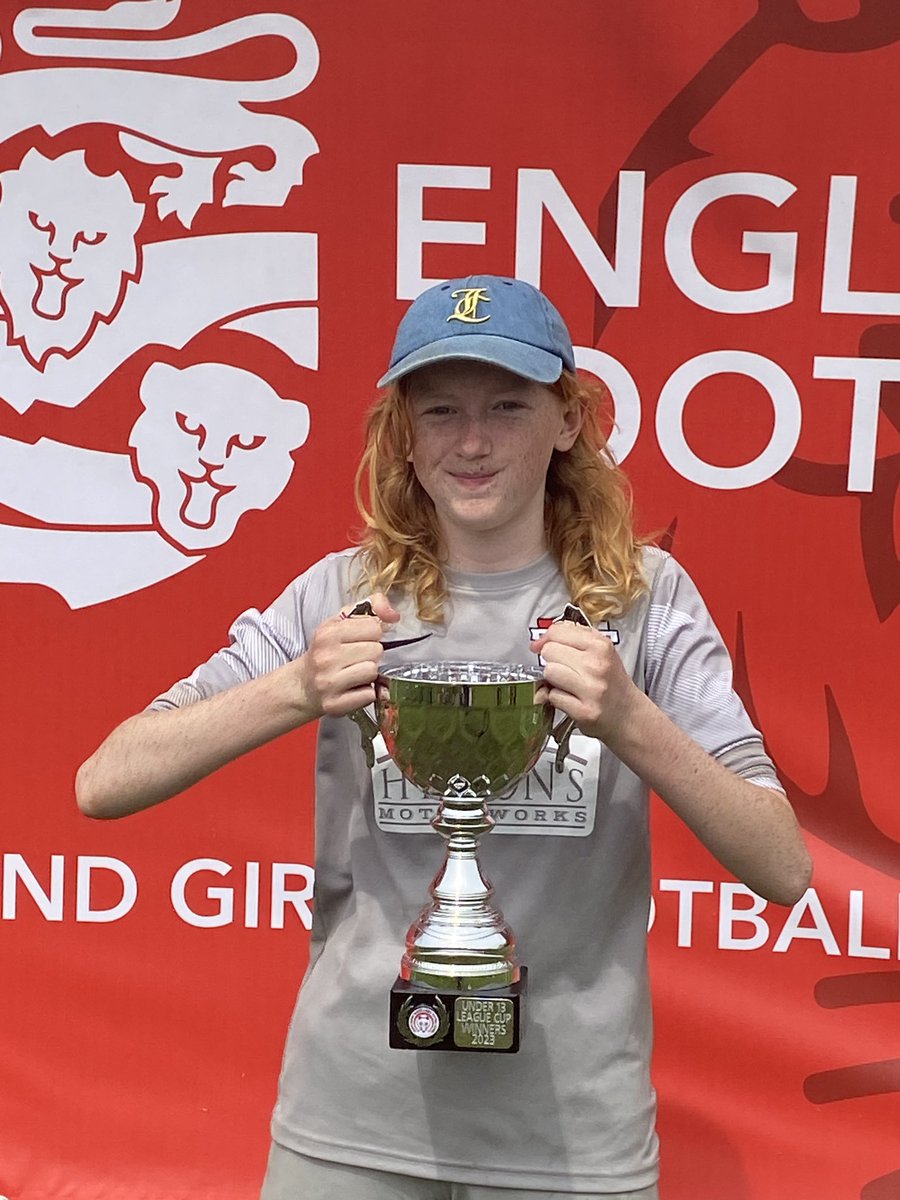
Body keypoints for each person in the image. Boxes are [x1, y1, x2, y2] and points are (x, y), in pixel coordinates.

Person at [77, 275, 812, 1199]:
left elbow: (781, 867)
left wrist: (631, 719)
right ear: (406, 437)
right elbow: (105, 781)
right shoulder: (340, 594)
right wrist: (296, 689)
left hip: (571, 1140)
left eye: (507, 406)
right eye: (441, 411)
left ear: (568, 421)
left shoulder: (647, 603)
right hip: (348, 1127)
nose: (471, 441)